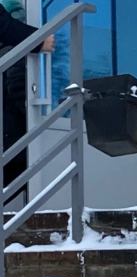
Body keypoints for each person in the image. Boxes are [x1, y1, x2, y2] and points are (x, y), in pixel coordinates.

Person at [1, 3, 55, 202]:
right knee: (22, 163)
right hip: (13, 132)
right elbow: (17, 88)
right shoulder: (12, 53)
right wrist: (39, 40)